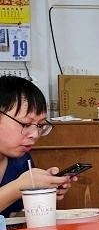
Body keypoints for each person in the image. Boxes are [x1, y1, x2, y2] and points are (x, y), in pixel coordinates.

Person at [0, 76, 75, 217]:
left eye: (40, 125)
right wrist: (19, 187)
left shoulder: (22, 161)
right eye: (26, 124)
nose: (35, 134)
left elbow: (14, 219)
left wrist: (42, 195)